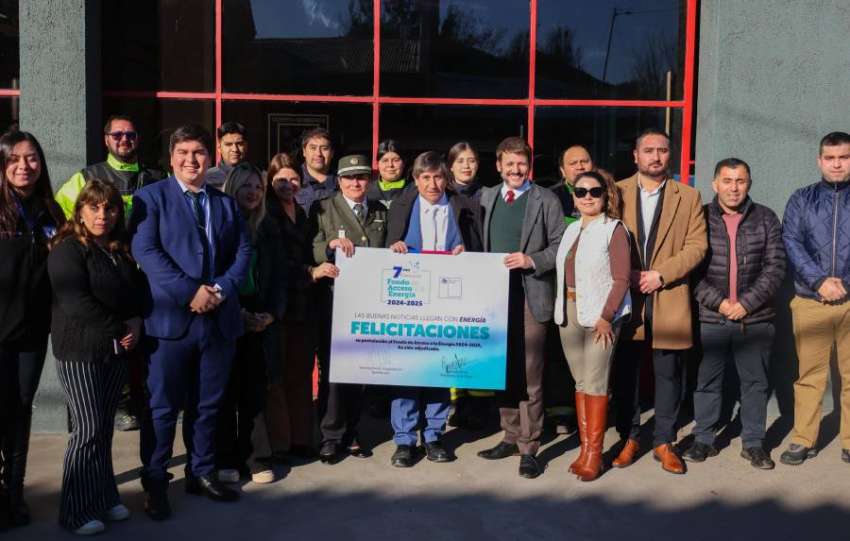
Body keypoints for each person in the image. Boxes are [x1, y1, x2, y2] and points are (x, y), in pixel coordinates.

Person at [129, 124, 252, 520]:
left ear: (209, 157)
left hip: (218, 320)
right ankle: (155, 480)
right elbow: (146, 251)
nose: (191, 160)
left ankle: (200, 472)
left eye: (198, 152)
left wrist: (220, 290)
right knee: (163, 408)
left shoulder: (225, 203)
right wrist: (190, 292)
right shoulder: (151, 198)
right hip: (170, 323)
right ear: (171, 158)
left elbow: (243, 251)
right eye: (183, 152)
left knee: (208, 405)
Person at [55, 114, 165, 433]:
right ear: (106, 139)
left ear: (138, 139)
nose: (124, 140)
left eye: (130, 135)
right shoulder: (87, 177)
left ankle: (147, 402)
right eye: (117, 135)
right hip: (106, 273)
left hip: (150, 276)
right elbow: (63, 215)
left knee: (149, 343)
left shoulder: (157, 177)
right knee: (114, 342)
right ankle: (119, 405)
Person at [47, 180, 144, 535]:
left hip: (114, 352)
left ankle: (102, 496)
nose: (102, 215)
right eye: (94, 207)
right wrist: (120, 327)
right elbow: (76, 302)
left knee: (103, 430)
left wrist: (136, 320)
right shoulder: (68, 250)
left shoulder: (118, 250)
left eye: (110, 208)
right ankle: (74, 511)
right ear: (80, 211)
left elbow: (135, 293)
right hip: (80, 351)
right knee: (87, 429)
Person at [612, 128, 707, 475]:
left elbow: (697, 246)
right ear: (635, 155)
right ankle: (629, 437)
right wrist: (628, 273)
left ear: (670, 155)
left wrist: (660, 275)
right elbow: (603, 237)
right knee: (626, 371)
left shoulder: (689, 196)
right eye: (649, 150)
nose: (656, 156)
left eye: (663, 150)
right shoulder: (616, 192)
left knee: (669, 372)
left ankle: (664, 441)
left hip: (669, 293)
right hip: (627, 295)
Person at [684, 158, 785, 470]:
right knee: (707, 381)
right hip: (712, 317)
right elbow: (692, 270)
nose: (734, 188)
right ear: (715, 184)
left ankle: (754, 444)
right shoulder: (700, 217)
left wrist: (746, 304)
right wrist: (720, 303)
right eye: (727, 181)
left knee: (755, 383)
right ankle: (703, 439)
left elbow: (775, 267)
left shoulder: (765, 218)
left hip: (755, 319)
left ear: (749, 183)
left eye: (740, 181)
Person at [384, 151, 482, 467]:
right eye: (425, 178)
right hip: (409, 301)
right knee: (407, 369)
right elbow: (384, 249)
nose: (432, 184)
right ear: (415, 180)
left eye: (438, 177)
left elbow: (478, 248)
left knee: (440, 368)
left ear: (446, 178)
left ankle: (434, 436)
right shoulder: (401, 207)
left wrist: (466, 251)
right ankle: (404, 440)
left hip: (447, 301)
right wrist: (394, 247)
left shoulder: (463, 208)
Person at [476, 137, 565, 479]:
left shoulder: (546, 199)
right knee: (502, 368)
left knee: (530, 372)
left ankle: (529, 446)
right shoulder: (486, 197)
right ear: (499, 166)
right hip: (493, 296)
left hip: (531, 294)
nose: (516, 170)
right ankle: (511, 435)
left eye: (521, 163)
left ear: (529, 166)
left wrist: (532, 260)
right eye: (509, 163)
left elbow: (561, 245)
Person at [0, 129, 65, 527]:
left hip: (31, 333)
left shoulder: (50, 212)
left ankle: (14, 493)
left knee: (21, 408)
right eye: (14, 159)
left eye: (31, 158)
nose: (24, 166)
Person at [553, 171, 631, 482]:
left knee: (596, 383)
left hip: (602, 316)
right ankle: (585, 450)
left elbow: (622, 279)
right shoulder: (571, 230)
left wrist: (606, 316)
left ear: (605, 195)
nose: (587, 196)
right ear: (573, 196)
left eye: (594, 191)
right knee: (581, 382)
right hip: (569, 311)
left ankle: (595, 455)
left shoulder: (614, 229)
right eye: (581, 191)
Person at [311, 154, 388, 464]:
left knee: (359, 370)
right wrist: (329, 246)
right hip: (336, 300)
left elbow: (387, 246)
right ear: (339, 181)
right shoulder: (323, 208)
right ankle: (330, 436)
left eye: (362, 177)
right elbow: (313, 245)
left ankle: (352, 432)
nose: (356, 183)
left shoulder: (380, 210)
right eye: (349, 177)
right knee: (334, 371)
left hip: (368, 303)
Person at [780, 131, 850, 466]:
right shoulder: (801, 198)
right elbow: (791, 241)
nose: (837, 164)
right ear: (820, 161)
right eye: (830, 158)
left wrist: (844, 284)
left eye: (844, 157)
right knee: (810, 375)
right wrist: (820, 281)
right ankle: (803, 439)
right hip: (811, 300)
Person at [216, 162, 287, 484]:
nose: (253, 192)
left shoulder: (269, 228)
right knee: (225, 390)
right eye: (246, 185)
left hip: (261, 315)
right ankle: (225, 457)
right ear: (232, 187)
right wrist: (236, 313)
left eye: (258, 187)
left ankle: (257, 458)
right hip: (227, 312)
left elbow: (280, 279)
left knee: (255, 391)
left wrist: (271, 314)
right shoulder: (218, 227)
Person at [264, 153, 329, 460]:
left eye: (293, 179)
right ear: (270, 182)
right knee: (277, 377)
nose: (288, 184)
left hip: (304, 305)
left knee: (302, 375)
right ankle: (280, 444)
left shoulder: (302, 213)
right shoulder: (267, 214)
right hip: (278, 305)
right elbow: (274, 263)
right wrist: (309, 273)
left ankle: (302, 439)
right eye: (281, 179)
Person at [295, 128, 337, 213]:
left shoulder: (343, 182)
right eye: (313, 148)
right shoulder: (293, 180)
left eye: (324, 148)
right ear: (304, 151)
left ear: (332, 153)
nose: (318, 154)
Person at [551, 145, 594, 224]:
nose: (580, 167)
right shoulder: (550, 197)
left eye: (584, 161)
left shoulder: (608, 193)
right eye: (573, 163)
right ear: (562, 170)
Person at [205, 122, 249, 189]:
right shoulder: (207, 178)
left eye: (239, 144)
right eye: (228, 144)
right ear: (219, 148)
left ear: (246, 146)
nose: (235, 149)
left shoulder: (258, 177)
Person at [368, 139, 409, 209]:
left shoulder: (415, 191)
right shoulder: (366, 191)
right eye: (385, 160)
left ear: (404, 163)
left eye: (396, 160)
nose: (390, 165)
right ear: (378, 164)